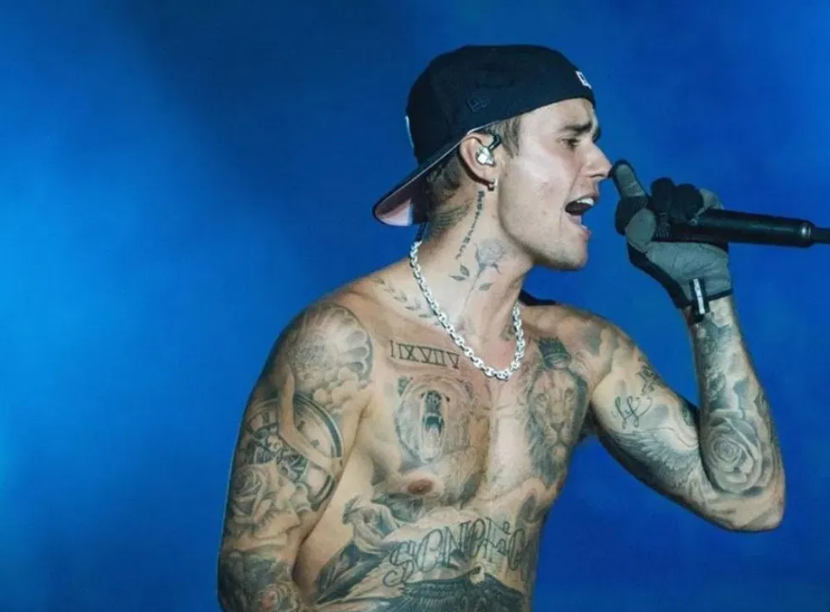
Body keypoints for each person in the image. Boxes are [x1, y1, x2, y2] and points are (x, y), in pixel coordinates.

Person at [216, 44, 785, 612]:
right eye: (571, 140)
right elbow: (251, 566)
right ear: (483, 154)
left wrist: (707, 296)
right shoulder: (346, 339)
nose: (602, 164)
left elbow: (749, 502)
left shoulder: (581, 351)